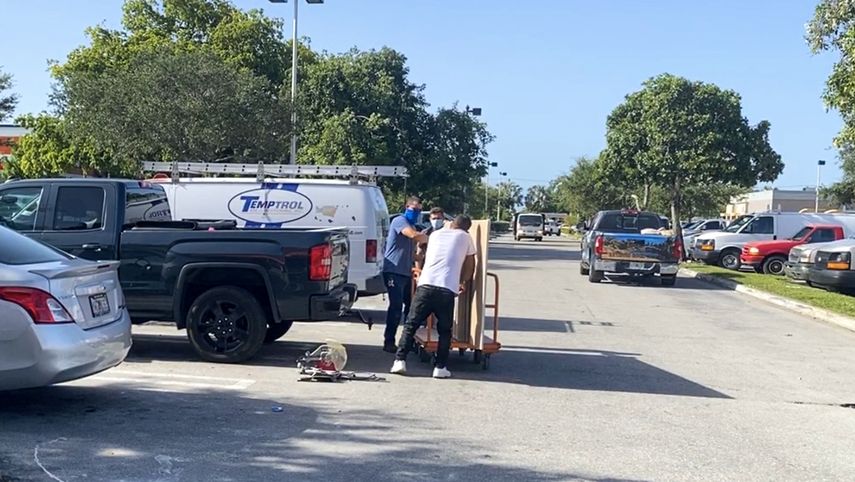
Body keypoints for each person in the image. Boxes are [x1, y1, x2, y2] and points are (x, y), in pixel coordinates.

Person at [391, 215, 477, 379]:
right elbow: (470, 264)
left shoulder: (436, 234)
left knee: (411, 324)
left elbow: (423, 251)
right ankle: (440, 367)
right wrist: (463, 282)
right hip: (446, 288)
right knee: (445, 330)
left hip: (425, 285)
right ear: (466, 228)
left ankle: (399, 361)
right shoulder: (466, 237)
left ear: (452, 224)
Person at [382, 196, 428, 353]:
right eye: (414, 209)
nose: (416, 212)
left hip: (405, 272)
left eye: (419, 210)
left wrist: (420, 253)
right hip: (393, 271)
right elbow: (413, 235)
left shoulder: (413, 225)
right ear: (406, 207)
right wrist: (431, 237)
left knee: (412, 307)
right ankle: (389, 341)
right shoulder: (400, 221)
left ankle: (407, 340)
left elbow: (414, 255)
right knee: (395, 306)